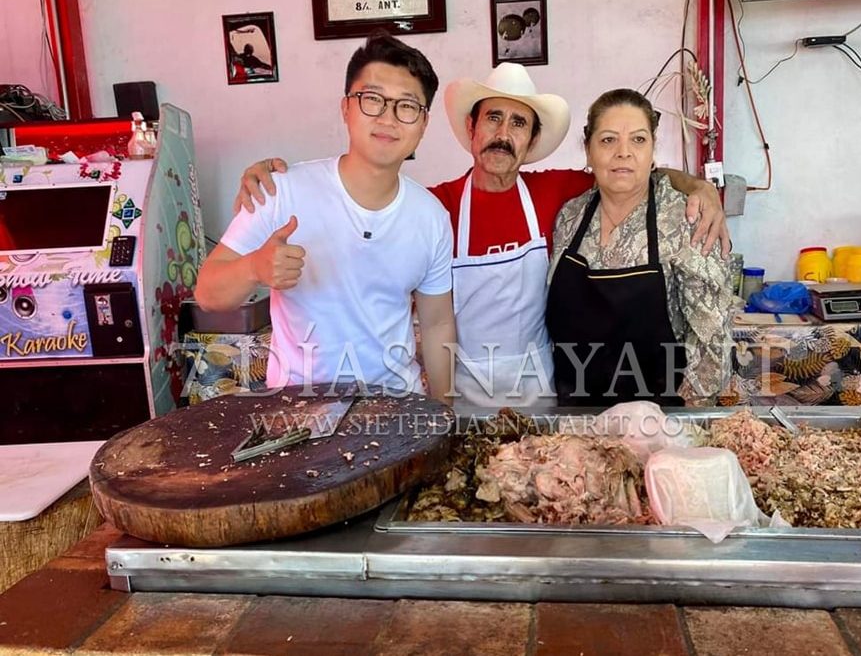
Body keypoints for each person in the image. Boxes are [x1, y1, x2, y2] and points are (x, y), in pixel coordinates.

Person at [233, 64, 730, 409]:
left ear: (531, 141)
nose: (502, 132)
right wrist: (281, 183)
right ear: (471, 128)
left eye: (518, 123)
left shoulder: (558, 195)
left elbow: (629, 170)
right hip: (460, 392)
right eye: (493, 116)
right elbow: (362, 210)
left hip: (542, 393)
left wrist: (698, 185)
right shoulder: (432, 208)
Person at [195, 33, 456, 403]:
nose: (388, 118)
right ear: (346, 108)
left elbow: (437, 323)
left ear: (423, 124)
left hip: (396, 413)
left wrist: (443, 413)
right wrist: (254, 267)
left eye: (407, 106)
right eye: (373, 99)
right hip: (299, 412)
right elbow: (207, 292)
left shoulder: (431, 217)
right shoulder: (282, 190)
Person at [547, 89, 738, 407]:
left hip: (661, 423)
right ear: (588, 150)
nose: (623, 153)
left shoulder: (686, 218)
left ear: (652, 151)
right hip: (578, 420)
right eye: (608, 140)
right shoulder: (569, 216)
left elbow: (712, 341)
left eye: (638, 140)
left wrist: (683, 430)